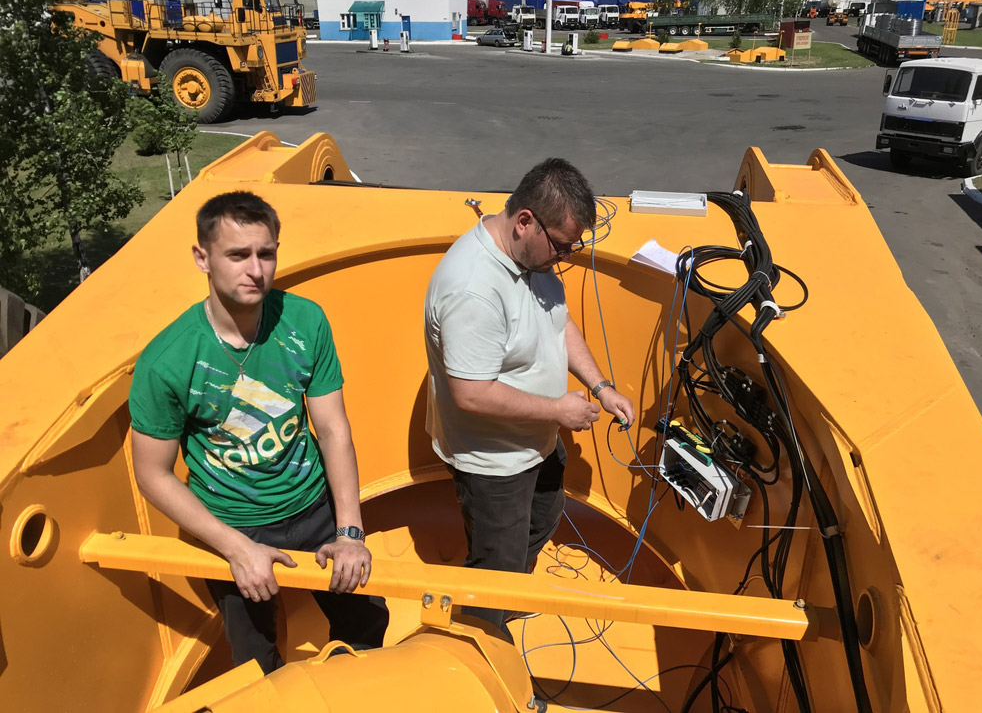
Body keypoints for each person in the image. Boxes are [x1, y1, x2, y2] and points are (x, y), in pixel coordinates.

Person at [128, 191, 388, 673]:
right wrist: (236, 548)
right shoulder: (167, 361)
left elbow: (332, 429)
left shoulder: (305, 320)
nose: (255, 270)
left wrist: (350, 530)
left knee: (367, 620)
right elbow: (153, 475)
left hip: (315, 508)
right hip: (233, 522)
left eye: (266, 253)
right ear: (202, 258)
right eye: (237, 255)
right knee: (255, 659)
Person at [424, 158, 636, 635]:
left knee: (544, 516)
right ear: (525, 221)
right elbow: (471, 395)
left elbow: (557, 321)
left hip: (534, 441)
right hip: (493, 461)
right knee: (495, 566)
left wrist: (600, 387)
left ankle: (507, 598)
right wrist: (560, 410)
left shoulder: (530, 257)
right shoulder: (474, 290)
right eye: (561, 247)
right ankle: (480, 634)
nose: (564, 257)